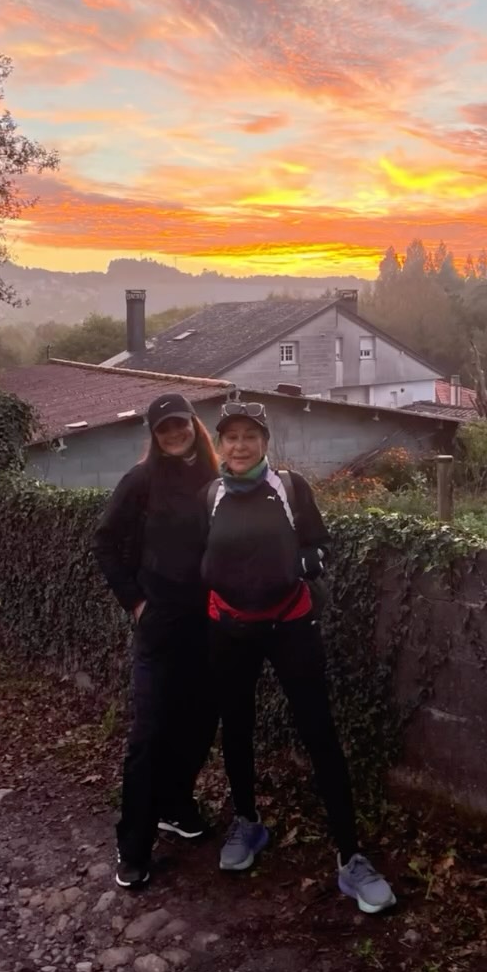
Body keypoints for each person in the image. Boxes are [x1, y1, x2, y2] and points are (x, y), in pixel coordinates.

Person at [203, 401, 396, 915]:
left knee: (320, 734)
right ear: (220, 444)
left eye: (250, 436)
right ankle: (248, 823)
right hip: (230, 629)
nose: (240, 446)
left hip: (290, 625)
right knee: (237, 727)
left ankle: (350, 858)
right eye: (231, 437)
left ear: (265, 442)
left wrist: (311, 558)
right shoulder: (212, 494)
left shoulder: (290, 489)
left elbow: (320, 543)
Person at [92, 392, 219, 890]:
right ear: (154, 433)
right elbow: (103, 540)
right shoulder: (141, 480)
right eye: (164, 428)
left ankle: (176, 805)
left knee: (199, 722)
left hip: (208, 624)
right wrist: (136, 602)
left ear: (193, 424)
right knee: (150, 735)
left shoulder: (216, 478)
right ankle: (134, 847)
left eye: (179, 424)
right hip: (160, 624)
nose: (173, 434)